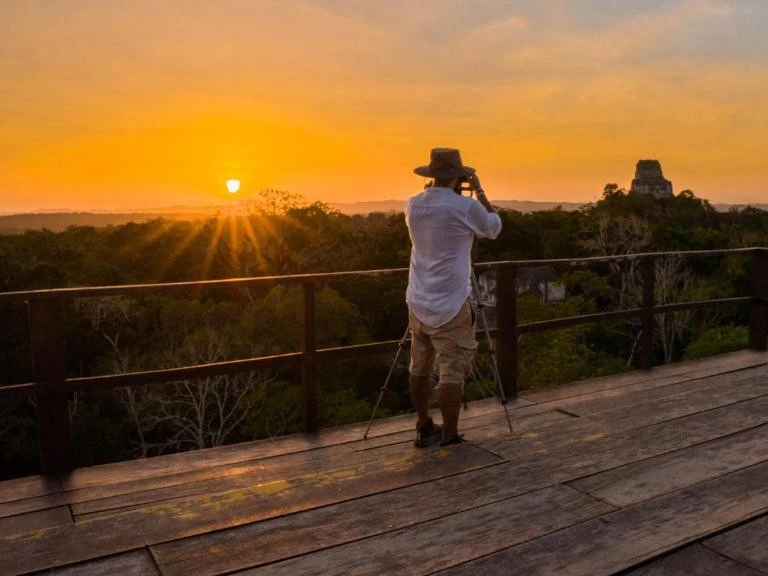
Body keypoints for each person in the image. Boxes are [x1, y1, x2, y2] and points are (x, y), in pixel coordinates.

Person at [405, 148, 502, 447]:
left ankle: (423, 424)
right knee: (451, 371)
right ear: (459, 176)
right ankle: (449, 435)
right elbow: (494, 228)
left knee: (419, 367)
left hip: (418, 299)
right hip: (452, 303)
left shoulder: (412, 205)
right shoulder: (464, 207)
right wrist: (480, 192)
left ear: (431, 174)